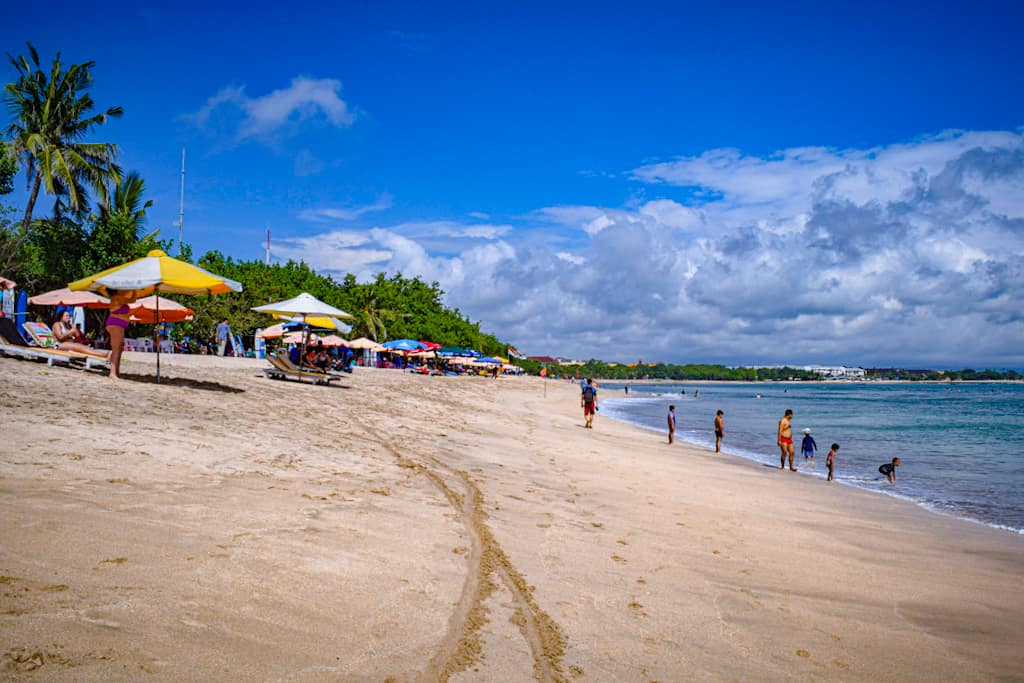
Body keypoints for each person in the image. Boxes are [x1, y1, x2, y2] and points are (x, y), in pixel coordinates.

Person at [104, 291, 133, 379]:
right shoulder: (117, 297)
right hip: (115, 324)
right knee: (116, 348)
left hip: (118, 324)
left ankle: (116, 370)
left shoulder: (119, 298)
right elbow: (132, 300)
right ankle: (112, 373)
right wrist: (135, 291)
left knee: (119, 348)